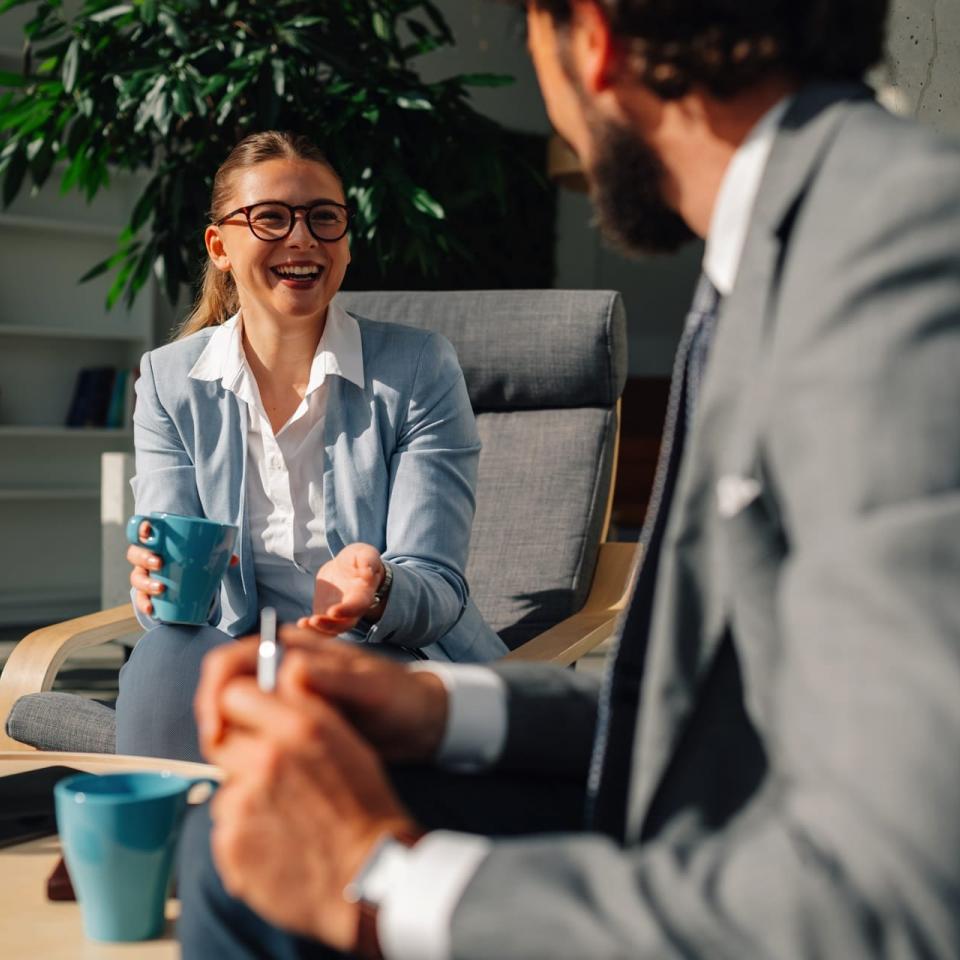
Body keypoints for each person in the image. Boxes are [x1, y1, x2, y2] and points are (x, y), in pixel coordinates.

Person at [178, 2, 960, 958]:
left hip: (789, 880)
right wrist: (442, 707)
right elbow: (724, 700)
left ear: (589, 39)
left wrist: (389, 882)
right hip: (731, 807)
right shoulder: (776, 253)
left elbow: (901, 894)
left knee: (263, 873)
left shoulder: (901, 251)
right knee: (233, 842)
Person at [116, 131, 506, 763]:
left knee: (303, 703)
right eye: (270, 217)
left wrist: (377, 589)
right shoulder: (168, 381)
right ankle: (163, 851)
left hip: (383, 649)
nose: (302, 238)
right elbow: (178, 597)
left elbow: (436, 589)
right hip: (234, 651)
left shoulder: (417, 369)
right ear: (220, 246)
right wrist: (153, 584)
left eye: (324, 218)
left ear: (346, 245)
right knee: (165, 658)